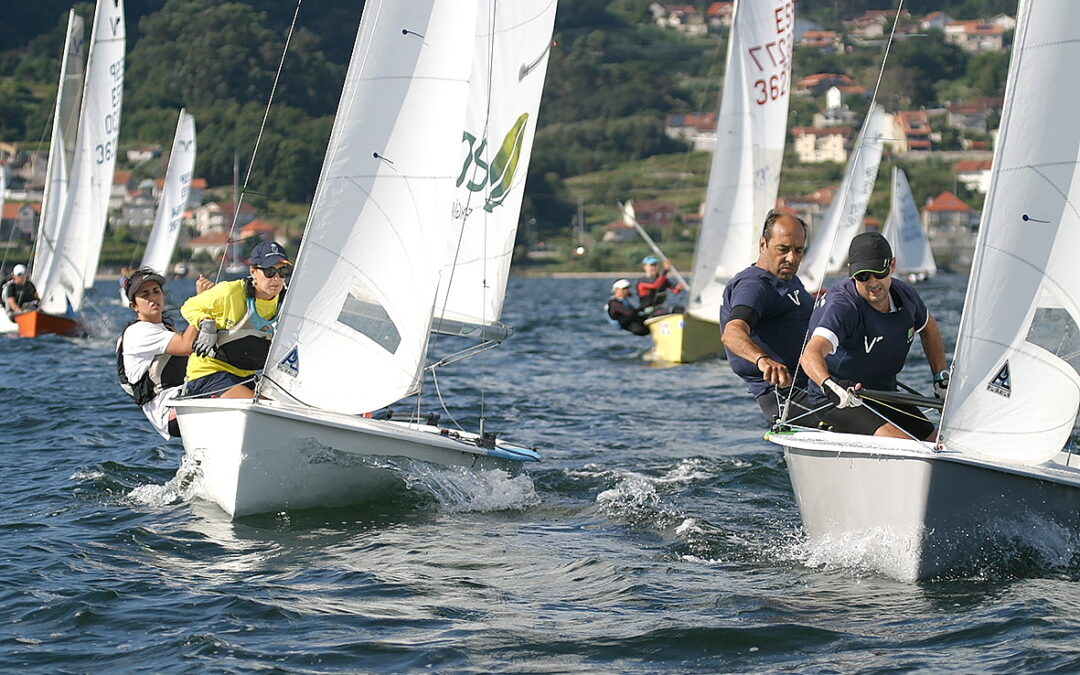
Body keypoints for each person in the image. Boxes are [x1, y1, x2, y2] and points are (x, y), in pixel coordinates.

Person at [801, 231, 948, 441]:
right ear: (852, 275)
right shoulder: (843, 306)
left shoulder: (906, 297)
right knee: (908, 445)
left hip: (883, 393)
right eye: (863, 276)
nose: (872, 283)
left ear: (892, 266)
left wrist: (939, 378)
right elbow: (810, 355)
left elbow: (929, 328)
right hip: (841, 399)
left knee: (939, 443)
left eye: (879, 272)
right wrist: (831, 386)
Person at [720, 211, 820, 425]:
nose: (792, 258)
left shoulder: (787, 278)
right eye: (783, 249)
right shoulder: (755, 286)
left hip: (814, 384)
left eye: (798, 250)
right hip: (786, 396)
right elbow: (732, 333)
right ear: (763, 244)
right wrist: (763, 360)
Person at [180, 240, 292, 399]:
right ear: (253, 271)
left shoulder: (288, 302)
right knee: (264, 404)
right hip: (209, 373)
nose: (276, 278)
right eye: (269, 271)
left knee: (286, 404)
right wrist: (206, 324)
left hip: (247, 376)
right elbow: (189, 306)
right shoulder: (230, 292)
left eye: (284, 271)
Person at [117, 268, 214, 439]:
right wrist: (202, 302)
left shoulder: (166, 328)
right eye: (145, 295)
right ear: (134, 306)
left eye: (156, 291)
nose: (153, 298)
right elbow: (186, 345)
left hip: (188, 397)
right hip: (169, 411)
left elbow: (195, 354)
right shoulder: (138, 332)